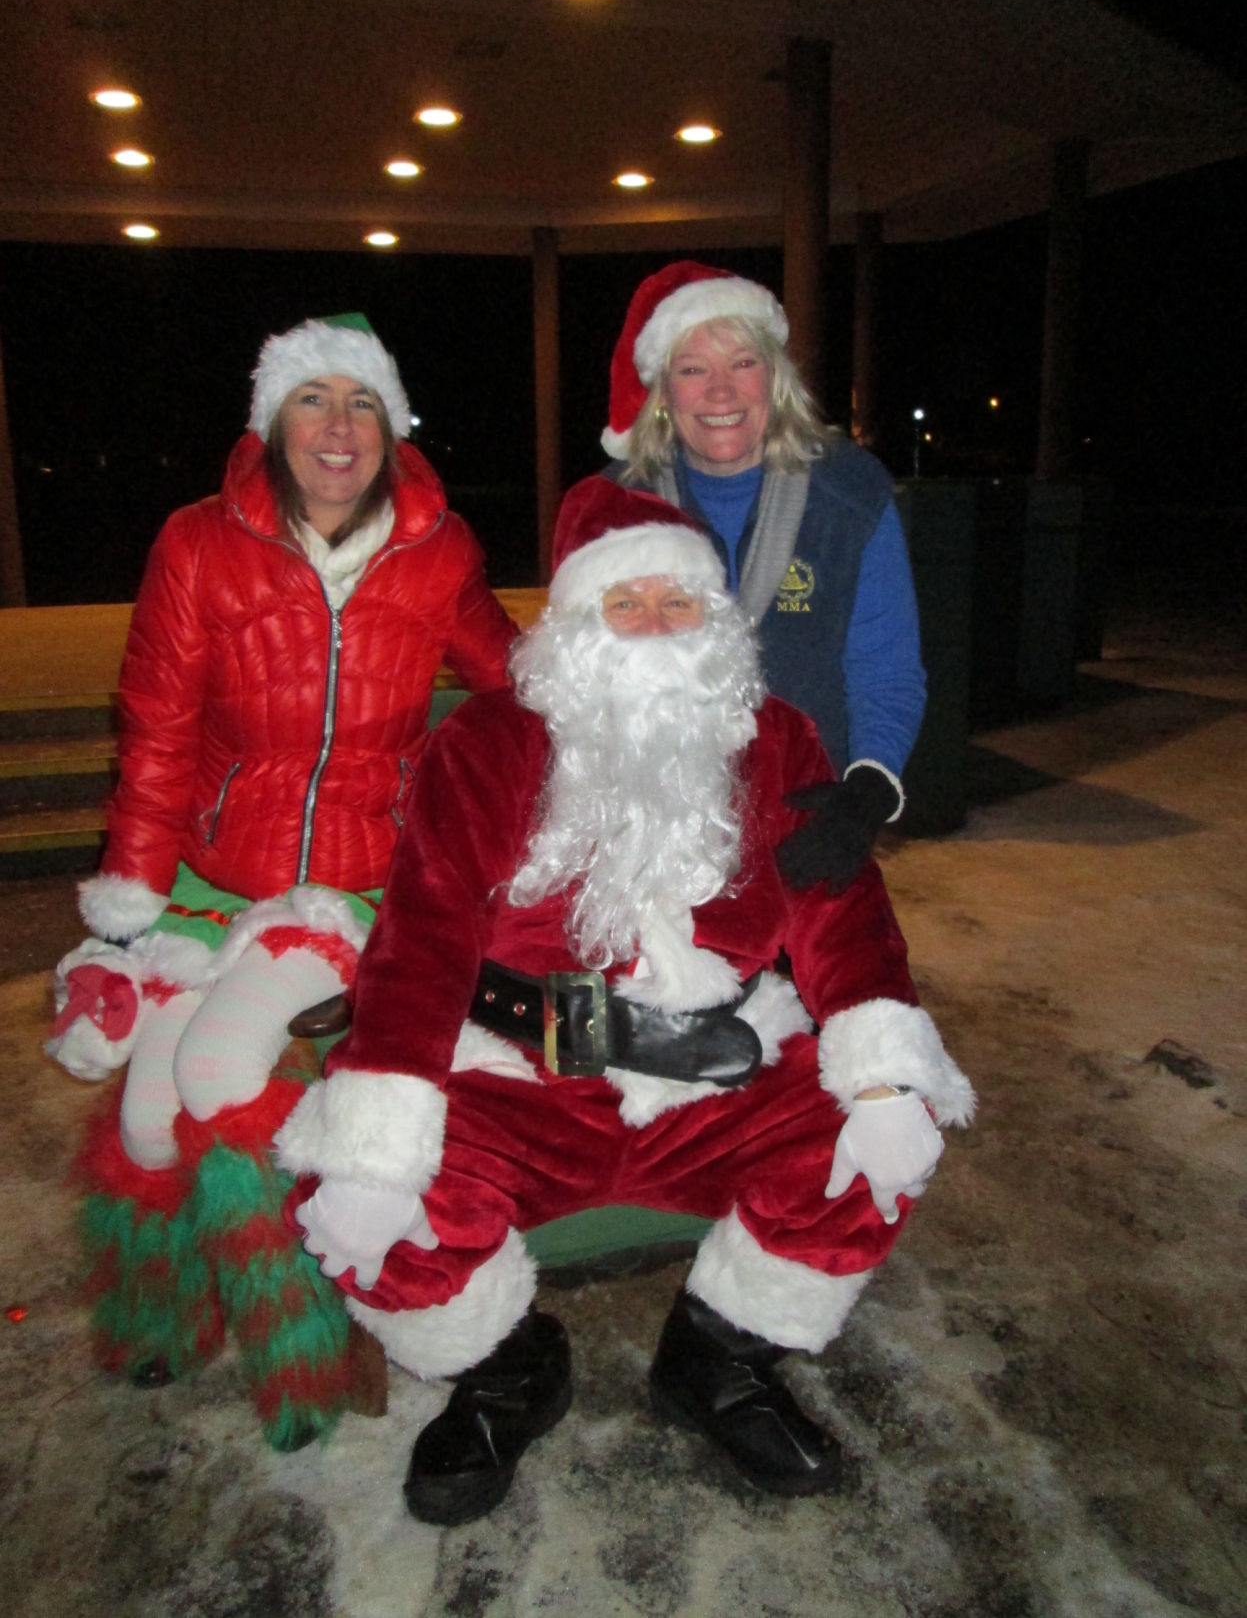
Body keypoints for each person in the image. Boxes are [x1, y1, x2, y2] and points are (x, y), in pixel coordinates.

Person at [279, 477, 974, 1524]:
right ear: (575, 620)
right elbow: (420, 940)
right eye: (624, 602)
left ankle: (717, 1358)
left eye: (677, 602)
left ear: (712, 621)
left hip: (718, 1076)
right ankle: (508, 1372)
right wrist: (377, 1144)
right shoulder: (489, 743)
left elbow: (842, 916)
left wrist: (881, 1079)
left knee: (871, 1148)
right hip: (521, 1078)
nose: (653, 625)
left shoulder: (775, 738)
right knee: (370, 1199)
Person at [46, 313, 517, 1449]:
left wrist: (623, 682)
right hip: (213, 881)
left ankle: (300, 1335)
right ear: (271, 423)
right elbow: (157, 733)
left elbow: (515, 680)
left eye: (362, 403)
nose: (338, 426)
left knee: (215, 1068)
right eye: (313, 399)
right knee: (149, 1120)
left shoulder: (438, 548)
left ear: (393, 430)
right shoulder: (196, 544)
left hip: (353, 887)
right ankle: (168, 1307)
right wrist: (130, 902)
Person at [562, 259, 928, 893]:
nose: (721, 392)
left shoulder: (850, 491)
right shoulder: (611, 506)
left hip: (813, 810)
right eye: (692, 369)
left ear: (776, 376)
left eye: (742, 363)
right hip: (652, 822)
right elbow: (574, 677)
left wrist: (867, 792)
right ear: (663, 392)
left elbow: (886, 669)